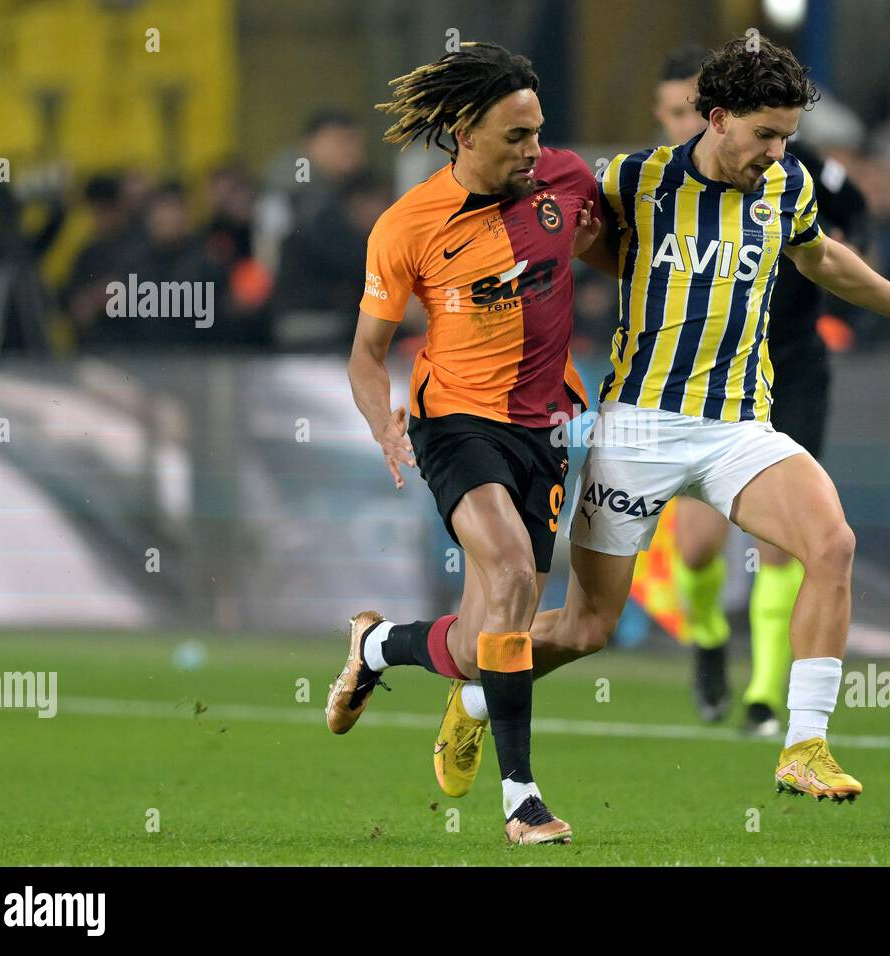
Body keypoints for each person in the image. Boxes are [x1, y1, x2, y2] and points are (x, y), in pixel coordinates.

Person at [420, 35, 890, 811]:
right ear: (717, 119)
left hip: (738, 428)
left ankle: (804, 745)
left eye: (787, 135)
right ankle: (479, 698)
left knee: (832, 544)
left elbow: (821, 259)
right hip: (640, 429)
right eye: (765, 134)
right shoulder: (633, 180)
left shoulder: (785, 186)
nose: (777, 151)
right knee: (587, 628)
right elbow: (562, 241)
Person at [323, 42, 599, 846]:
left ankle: (376, 644)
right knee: (514, 570)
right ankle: (523, 800)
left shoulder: (566, 180)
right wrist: (384, 421)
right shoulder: (406, 225)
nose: (533, 150)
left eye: (538, 132)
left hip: (546, 426)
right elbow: (367, 352)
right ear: (463, 133)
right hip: (455, 423)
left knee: (488, 646)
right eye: (516, 136)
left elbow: (608, 249)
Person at [647, 45, 871, 736]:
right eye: (678, 112)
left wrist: (832, 289)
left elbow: (852, 208)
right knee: (696, 549)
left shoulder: (791, 176)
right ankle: (709, 638)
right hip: (703, 381)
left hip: (790, 368)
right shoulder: (652, 183)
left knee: (791, 543)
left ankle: (766, 698)